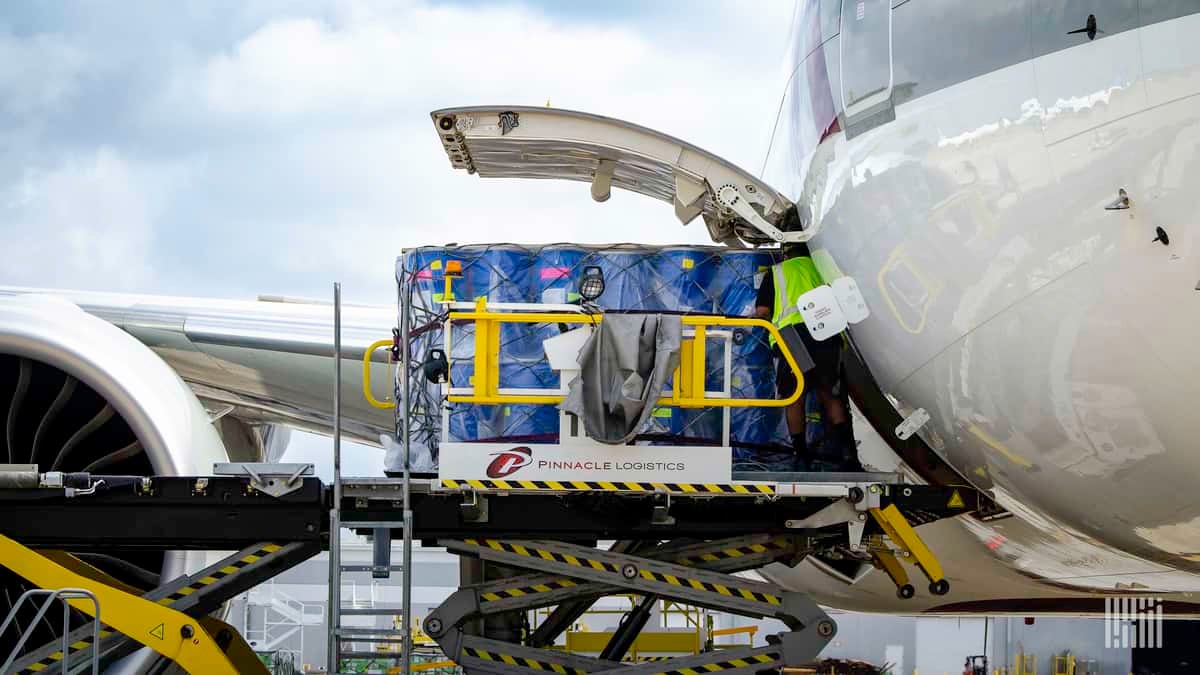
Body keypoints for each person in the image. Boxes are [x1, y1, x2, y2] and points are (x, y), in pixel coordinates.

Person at [755, 242, 861, 472]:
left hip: (792, 337)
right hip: (827, 334)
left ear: (786, 250)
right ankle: (848, 456)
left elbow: (762, 312)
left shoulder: (777, 272)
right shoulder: (823, 264)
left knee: (794, 397)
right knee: (831, 395)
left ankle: (801, 456)